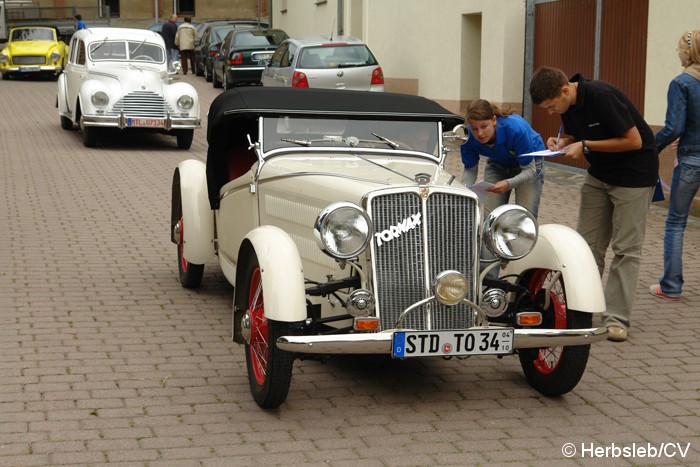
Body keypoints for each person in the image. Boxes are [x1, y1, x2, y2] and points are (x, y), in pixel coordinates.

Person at [529, 66, 659, 342]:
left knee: (626, 250)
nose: (552, 113)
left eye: (553, 107)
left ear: (565, 90)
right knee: (586, 247)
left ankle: (616, 320)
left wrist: (586, 146)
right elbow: (579, 135)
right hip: (599, 176)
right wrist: (563, 141)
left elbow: (633, 141)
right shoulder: (568, 105)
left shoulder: (602, 96)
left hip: (633, 177)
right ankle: (580, 310)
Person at [649, 30, 700, 302]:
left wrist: (651, 148)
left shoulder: (681, 83)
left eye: (679, 49)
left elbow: (674, 126)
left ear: (689, 53)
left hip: (692, 161)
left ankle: (671, 286)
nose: (677, 53)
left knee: (676, 223)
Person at [460, 99, 545, 218]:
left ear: (494, 120)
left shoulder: (515, 129)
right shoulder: (467, 137)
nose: (480, 133)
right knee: (491, 217)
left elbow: (530, 171)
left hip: (529, 164)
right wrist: (464, 190)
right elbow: (470, 170)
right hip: (498, 164)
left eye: (484, 126)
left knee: (525, 218)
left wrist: (508, 183)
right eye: (474, 128)